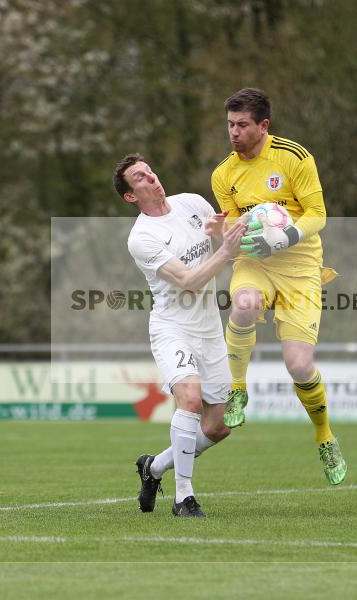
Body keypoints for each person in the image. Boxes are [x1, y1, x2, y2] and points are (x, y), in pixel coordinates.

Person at [210, 87, 347, 485]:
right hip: (255, 262)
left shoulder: (294, 157)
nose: (234, 132)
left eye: (242, 125)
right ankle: (237, 387)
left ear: (263, 125)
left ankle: (324, 435)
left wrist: (284, 237)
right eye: (230, 125)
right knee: (245, 304)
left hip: (301, 266)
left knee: (299, 365)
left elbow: (318, 214)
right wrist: (228, 233)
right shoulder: (223, 174)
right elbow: (234, 226)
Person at [115, 153, 246, 517]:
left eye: (149, 170)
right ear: (130, 196)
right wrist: (225, 249)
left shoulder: (192, 202)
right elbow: (188, 281)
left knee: (219, 427)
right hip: (172, 329)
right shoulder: (142, 238)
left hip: (209, 332)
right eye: (140, 177)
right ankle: (183, 498)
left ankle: (153, 468)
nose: (151, 177)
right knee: (188, 398)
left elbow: (222, 241)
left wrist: (224, 231)